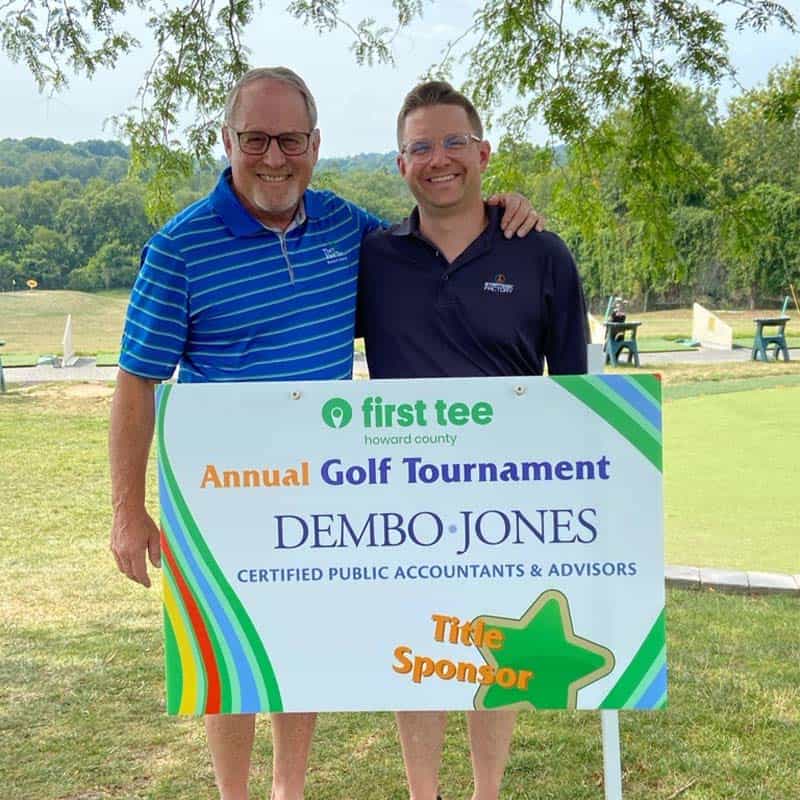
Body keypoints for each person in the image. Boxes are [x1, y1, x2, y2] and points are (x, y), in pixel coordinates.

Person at [109, 66, 542, 800]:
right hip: (223, 491)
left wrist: (494, 210)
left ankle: (289, 789)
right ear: (227, 141)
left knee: (295, 647)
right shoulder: (178, 249)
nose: (273, 158)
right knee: (229, 658)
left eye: (289, 140)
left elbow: (434, 241)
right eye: (255, 139)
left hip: (321, 490)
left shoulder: (348, 227)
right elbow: (135, 381)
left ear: (315, 144)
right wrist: (126, 508)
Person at [357, 80, 588, 800]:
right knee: (421, 657)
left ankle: (488, 793)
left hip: (510, 506)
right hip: (404, 504)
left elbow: (574, 393)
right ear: (401, 166)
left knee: (501, 655)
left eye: (454, 142)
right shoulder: (373, 258)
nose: (440, 159)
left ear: (484, 153)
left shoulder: (542, 254)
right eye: (421, 147)